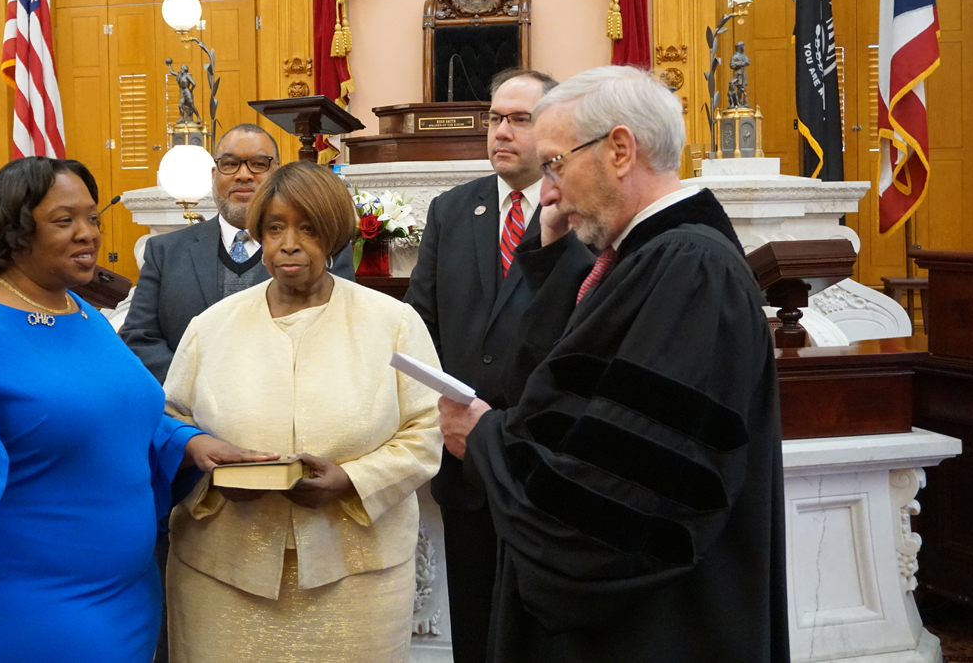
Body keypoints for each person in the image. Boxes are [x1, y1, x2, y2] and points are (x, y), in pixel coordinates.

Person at [438, 65, 789, 662]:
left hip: (659, 629)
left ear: (619, 150)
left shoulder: (689, 271)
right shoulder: (644, 260)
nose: (546, 192)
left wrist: (487, 440)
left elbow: (624, 493)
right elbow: (553, 392)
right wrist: (549, 260)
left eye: (554, 164)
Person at [0, 157, 272, 663]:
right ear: (16, 232)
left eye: (92, 218)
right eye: (64, 221)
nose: (88, 234)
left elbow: (117, 414)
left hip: (123, 603)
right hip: (16, 615)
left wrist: (188, 442)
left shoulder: (81, 312)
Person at [163, 162, 443, 663]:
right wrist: (207, 464)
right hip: (224, 569)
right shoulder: (210, 327)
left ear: (333, 235)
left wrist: (353, 479)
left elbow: (427, 429)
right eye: (274, 228)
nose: (288, 243)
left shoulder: (394, 323)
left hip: (356, 574)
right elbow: (169, 423)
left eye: (307, 228)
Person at [403, 66, 594, 663]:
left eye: (519, 119)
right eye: (494, 118)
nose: (501, 132)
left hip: (547, 460)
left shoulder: (589, 215)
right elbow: (422, 321)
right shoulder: (452, 210)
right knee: (477, 625)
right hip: (465, 461)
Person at [118, 123, 353, 383]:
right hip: (185, 412)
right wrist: (195, 389)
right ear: (213, 175)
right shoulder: (165, 251)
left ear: (277, 173)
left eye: (258, 164)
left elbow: (336, 335)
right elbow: (138, 338)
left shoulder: (320, 250)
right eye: (230, 164)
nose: (243, 175)